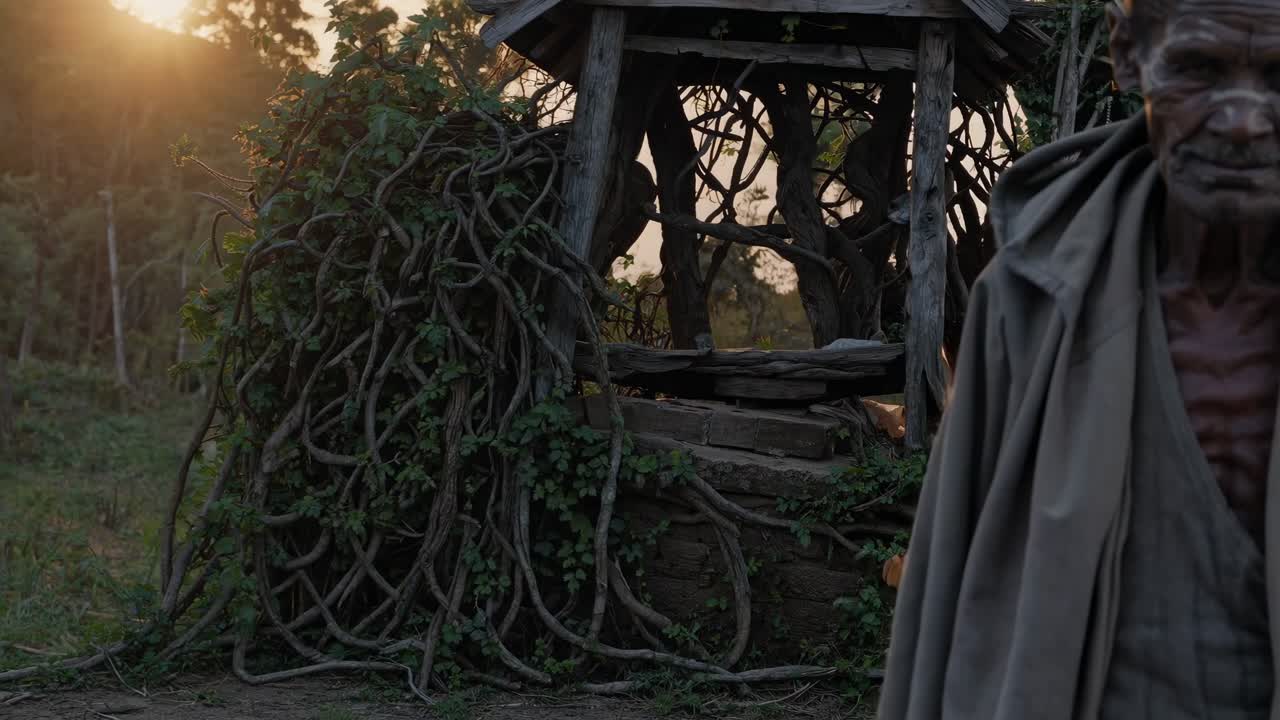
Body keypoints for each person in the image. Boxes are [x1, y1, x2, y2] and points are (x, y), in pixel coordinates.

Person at [877, 0, 1280, 717]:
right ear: (1129, 53)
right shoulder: (1032, 301)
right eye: (1199, 68)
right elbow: (943, 594)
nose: (1246, 121)